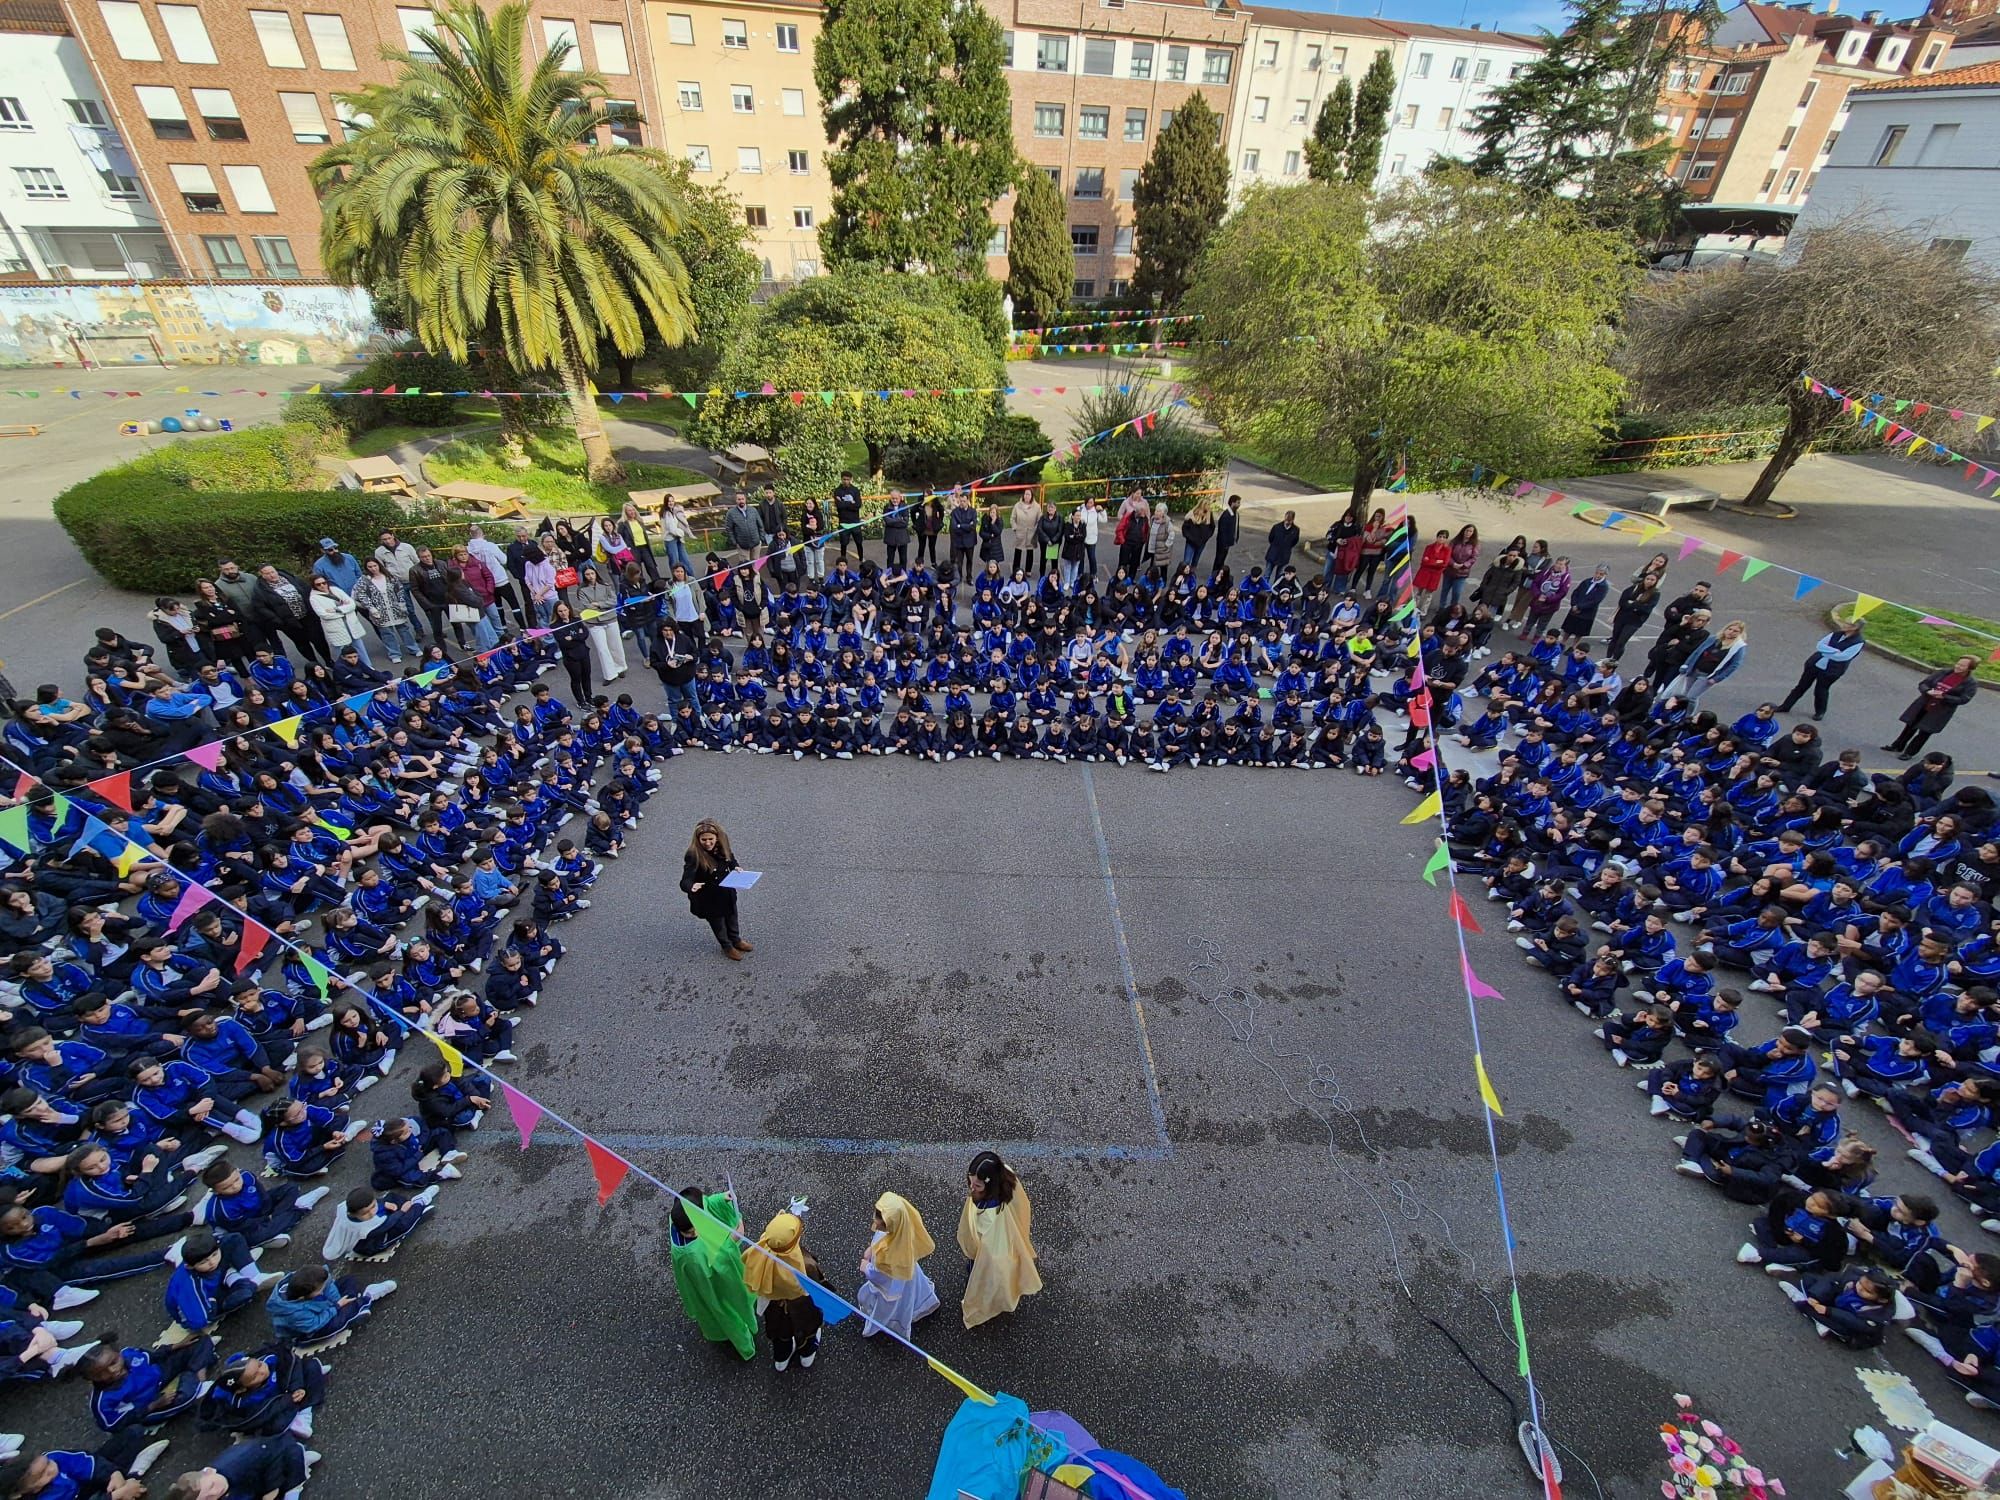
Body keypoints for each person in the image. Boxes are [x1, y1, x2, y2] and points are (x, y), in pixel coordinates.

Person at [668, 1186, 756, 1360]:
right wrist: (733, 1240)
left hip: (709, 1279)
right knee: (725, 1312)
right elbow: (717, 1260)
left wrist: (720, 1198)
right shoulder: (690, 1254)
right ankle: (745, 1346)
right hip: (712, 1285)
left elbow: (706, 1203)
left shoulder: (680, 1215)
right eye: (691, 1232)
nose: (695, 1234)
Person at [958, 1150, 1041, 1328]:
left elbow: (979, 1241)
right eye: (971, 1181)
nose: (972, 1188)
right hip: (1005, 1244)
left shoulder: (988, 1214)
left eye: (977, 1186)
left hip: (991, 1252)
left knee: (985, 1277)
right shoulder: (1006, 1177)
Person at [741, 1209, 822, 1373]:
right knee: (807, 1331)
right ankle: (806, 1355)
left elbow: (771, 1237)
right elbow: (817, 1285)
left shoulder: (763, 1251)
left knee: (780, 1335)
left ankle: (781, 1359)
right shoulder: (805, 1266)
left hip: (774, 1308)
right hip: (801, 1307)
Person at [857, 1190, 940, 1340]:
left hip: (894, 1284)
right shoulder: (902, 1232)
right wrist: (872, 1248)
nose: (875, 1221)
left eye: (879, 1219)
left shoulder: (890, 1254)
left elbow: (881, 1276)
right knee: (911, 1294)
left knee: (890, 1307)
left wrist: (866, 1268)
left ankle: (886, 1325)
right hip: (907, 1275)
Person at [680, 818, 750, 959]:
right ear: (698, 839)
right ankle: (727, 946)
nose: (707, 843)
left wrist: (735, 866)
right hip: (709, 897)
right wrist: (691, 886)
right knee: (718, 924)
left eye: (710, 839)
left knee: (732, 917)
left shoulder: (722, 846)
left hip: (726, 892)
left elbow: (730, 858)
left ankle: (736, 940)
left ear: (717, 837)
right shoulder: (693, 855)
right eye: (703, 840)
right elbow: (685, 879)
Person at [1886, 656, 1979, 760]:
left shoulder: (1971, 683)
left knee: (1925, 731)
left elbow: (1963, 699)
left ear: (1970, 668)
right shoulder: (1944, 672)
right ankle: (1897, 745)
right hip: (1925, 703)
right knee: (1910, 725)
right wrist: (1928, 691)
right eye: (1958, 664)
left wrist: (1944, 697)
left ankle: (1910, 752)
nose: (1958, 667)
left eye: (1962, 666)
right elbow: (1924, 683)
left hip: (1941, 710)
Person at [1775, 620, 1867, 722]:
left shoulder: (1858, 642)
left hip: (1832, 670)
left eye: (1848, 624)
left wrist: (1826, 651)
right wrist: (1834, 651)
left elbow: (1843, 657)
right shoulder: (1836, 634)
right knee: (1801, 686)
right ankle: (1785, 706)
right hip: (1814, 664)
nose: (1843, 625)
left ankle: (1820, 712)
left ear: (1855, 628)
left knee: (1821, 690)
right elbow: (1820, 645)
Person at [1664, 619, 1748, 707]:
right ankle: (1681, 713)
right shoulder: (1714, 639)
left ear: (1740, 633)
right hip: (1695, 670)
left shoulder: (1739, 647)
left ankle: (1689, 716)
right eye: (1730, 629)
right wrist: (1686, 665)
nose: (1731, 632)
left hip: (1707, 675)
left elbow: (1734, 665)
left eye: (1735, 631)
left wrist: (1717, 678)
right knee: (1685, 694)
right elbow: (1698, 652)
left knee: (1691, 697)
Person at [1263, 510, 1301, 578]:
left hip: (1284, 555)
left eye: (1289, 520)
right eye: (1286, 520)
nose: (1287, 522)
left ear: (1293, 520)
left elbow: (1295, 541)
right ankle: (1266, 588)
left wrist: (1287, 547)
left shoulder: (1296, 530)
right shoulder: (1276, 527)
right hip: (1273, 553)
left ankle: (1276, 588)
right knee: (1267, 574)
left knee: (1279, 576)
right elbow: (1271, 538)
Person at [1213, 494, 1242, 576]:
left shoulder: (1235, 514)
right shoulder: (1226, 515)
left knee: (1222, 558)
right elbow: (1222, 531)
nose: (1239, 505)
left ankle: (1219, 572)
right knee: (1219, 558)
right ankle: (1215, 573)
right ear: (1232, 503)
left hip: (1228, 541)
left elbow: (1236, 526)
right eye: (1237, 503)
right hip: (1223, 542)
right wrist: (1224, 542)